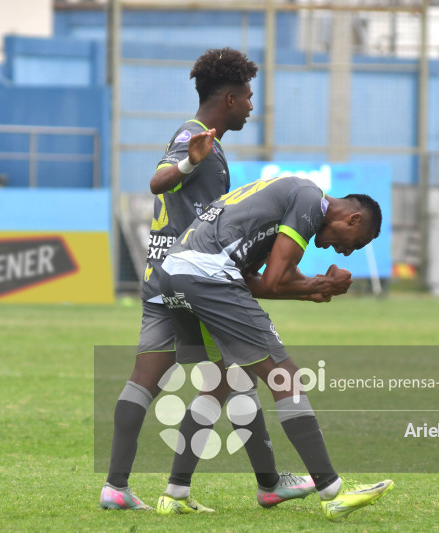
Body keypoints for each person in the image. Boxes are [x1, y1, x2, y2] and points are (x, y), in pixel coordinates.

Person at [100, 48, 314, 511]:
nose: (254, 107)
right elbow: (158, 181)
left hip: (161, 276)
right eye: (250, 97)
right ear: (231, 99)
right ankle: (267, 482)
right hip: (191, 279)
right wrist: (188, 163)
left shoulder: (205, 143)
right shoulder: (195, 138)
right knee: (234, 379)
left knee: (158, 379)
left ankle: (120, 486)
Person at [156, 175, 394, 521]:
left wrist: (311, 289)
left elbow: (253, 281)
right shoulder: (311, 200)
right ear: (352, 219)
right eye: (353, 244)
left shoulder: (282, 204)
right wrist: (321, 284)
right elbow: (273, 281)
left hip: (176, 273)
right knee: (286, 377)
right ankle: (331, 491)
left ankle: (176, 491)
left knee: (225, 379)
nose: (343, 251)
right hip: (207, 275)